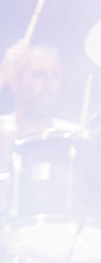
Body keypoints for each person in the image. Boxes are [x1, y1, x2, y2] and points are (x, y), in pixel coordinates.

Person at [0, 40, 76, 170]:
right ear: (14, 83)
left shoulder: (72, 139)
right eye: (39, 75)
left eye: (55, 77)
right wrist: (2, 75)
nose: (49, 85)